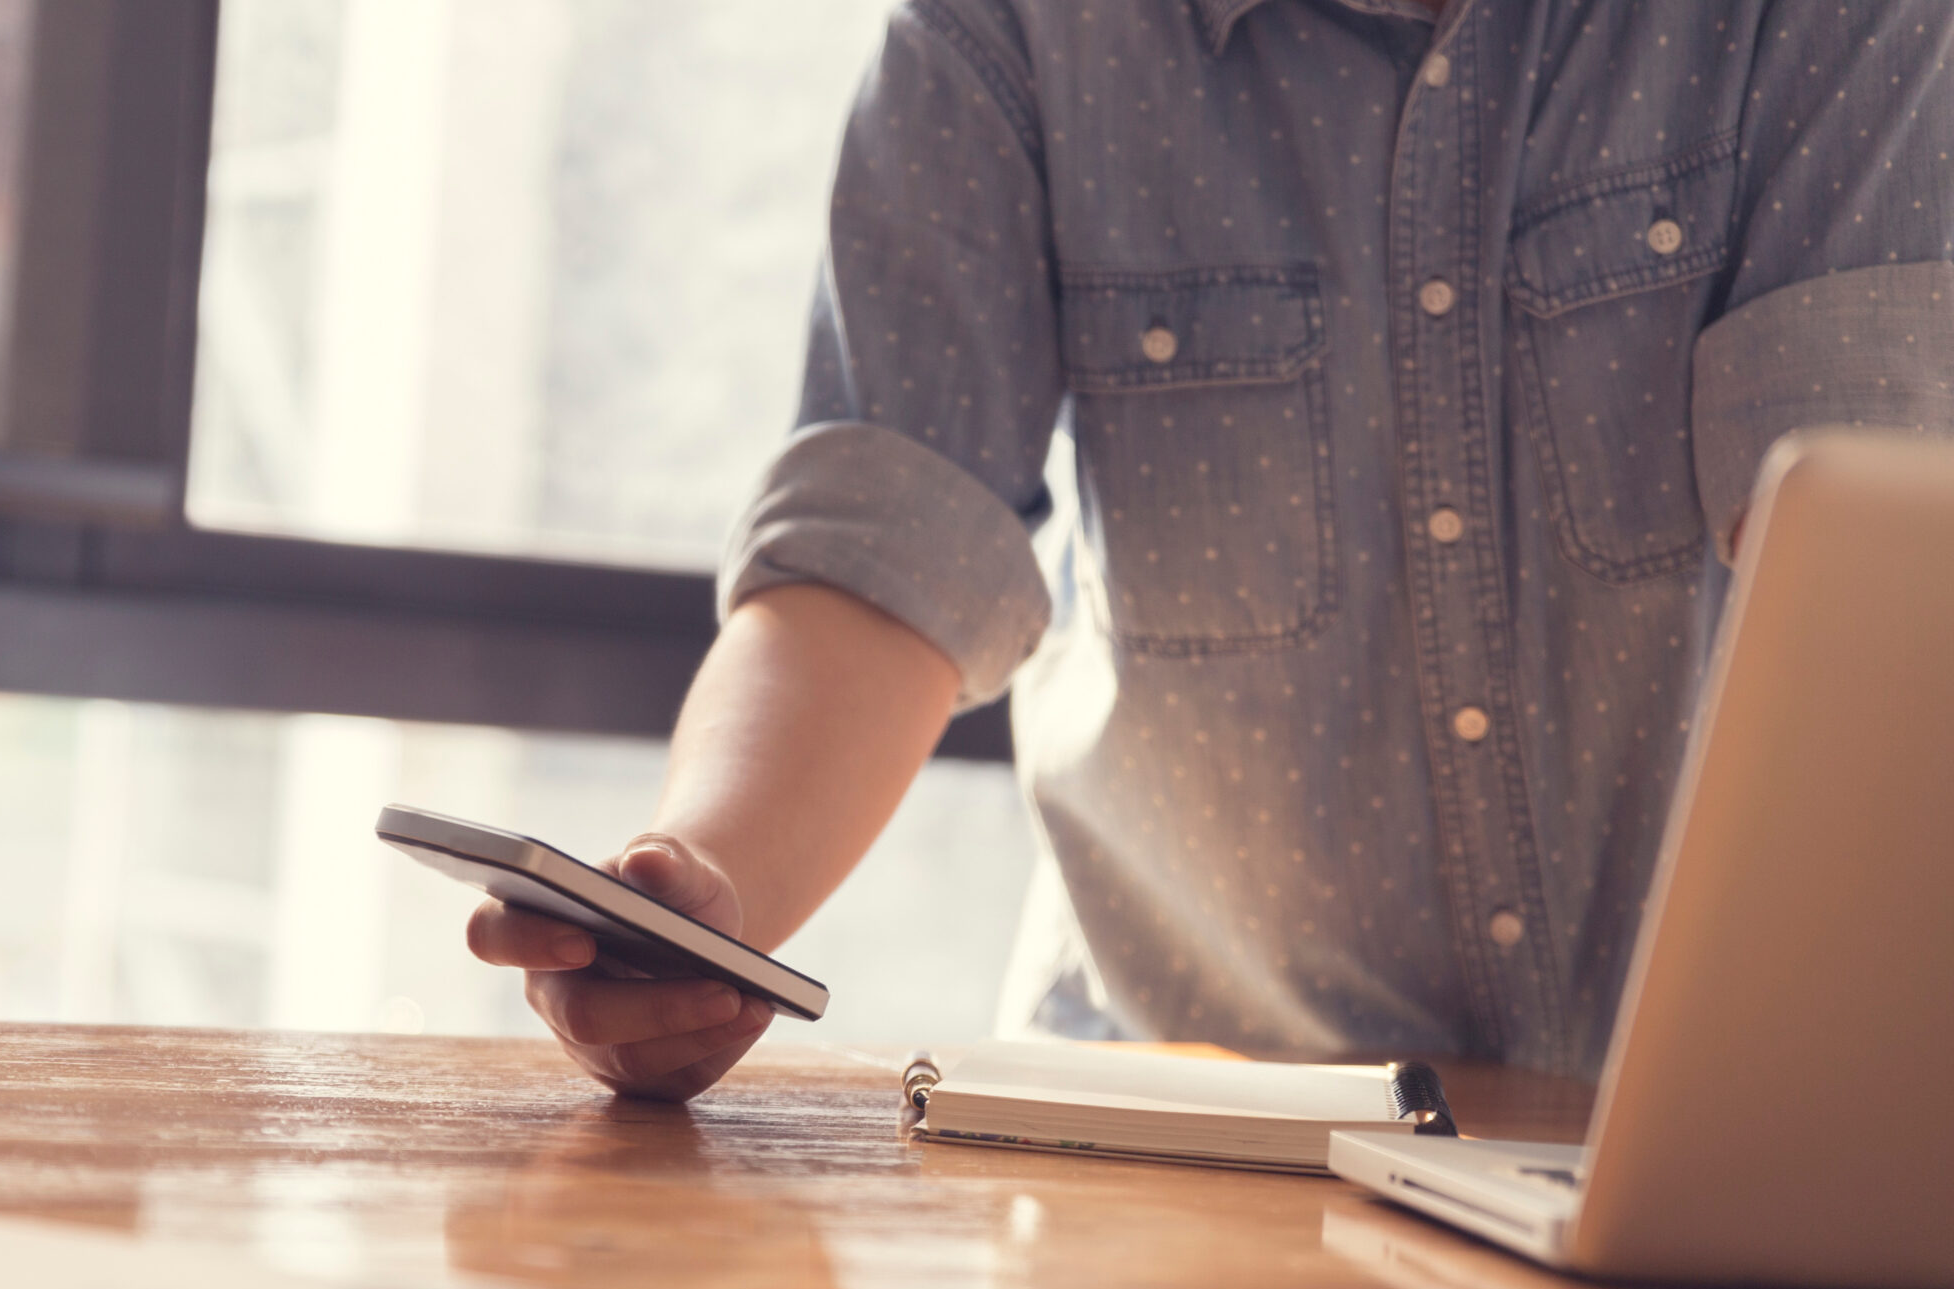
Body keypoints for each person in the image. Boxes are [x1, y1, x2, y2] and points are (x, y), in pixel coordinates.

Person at [472, 0, 1954, 1101]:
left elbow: (1859, 572)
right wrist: (701, 906)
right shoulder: (1009, 30)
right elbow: (883, 544)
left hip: (1702, 1144)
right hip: (1182, 1131)